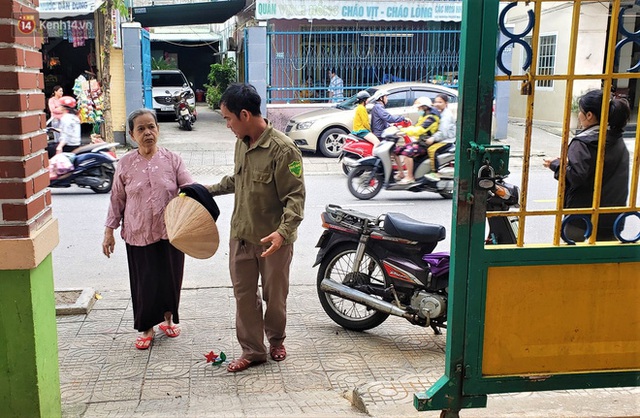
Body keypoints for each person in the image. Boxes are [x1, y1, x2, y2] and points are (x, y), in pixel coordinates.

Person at [206, 83, 306, 373]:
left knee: (275, 297)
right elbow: (239, 180)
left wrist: (283, 232)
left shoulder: (283, 150)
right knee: (245, 298)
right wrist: (206, 190)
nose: (227, 125)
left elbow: (295, 198)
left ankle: (276, 340)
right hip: (241, 237)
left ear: (245, 114)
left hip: (273, 240)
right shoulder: (242, 142)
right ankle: (252, 351)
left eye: (228, 118)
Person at [102, 108, 194, 350]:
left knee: (171, 277)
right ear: (132, 135)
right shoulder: (125, 163)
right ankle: (146, 327)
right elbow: (117, 199)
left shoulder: (173, 160)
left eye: (151, 127)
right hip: (138, 232)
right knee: (145, 281)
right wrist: (109, 231)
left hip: (171, 231)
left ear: (158, 129)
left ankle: (168, 319)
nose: (147, 133)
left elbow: (189, 187)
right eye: (141, 129)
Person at [543, 89, 630, 242]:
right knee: (602, 263)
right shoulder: (617, 140)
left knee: (575, 261)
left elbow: (577, 176)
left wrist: (556, 165)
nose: (579, 115)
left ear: (589, 115)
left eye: (581, 112)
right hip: (612, 219)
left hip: (582, 219)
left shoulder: (583, 142)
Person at [394, 96, 440, 184]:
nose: (418, 109)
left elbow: (419, 130)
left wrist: (404, 131)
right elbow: (415, 126)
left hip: (426, 144)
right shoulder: (424, 116)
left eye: (419, 108)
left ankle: (410, 177)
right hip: (420, 142)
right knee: (396, 150)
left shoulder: (431, 118)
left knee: (407, 153)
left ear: (424, 107)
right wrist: (400, 129)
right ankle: (401, 174)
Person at [424, 94, 457, 180]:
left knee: (432, 150)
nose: (437, 104)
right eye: (436, 102)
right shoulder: (438, 113)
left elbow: (443, 132)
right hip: (441, 138)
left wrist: (433, 138)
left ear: (446, 103)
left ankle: (435, 173)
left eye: (440, 102)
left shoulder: (446, 116)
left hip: (446, 141)